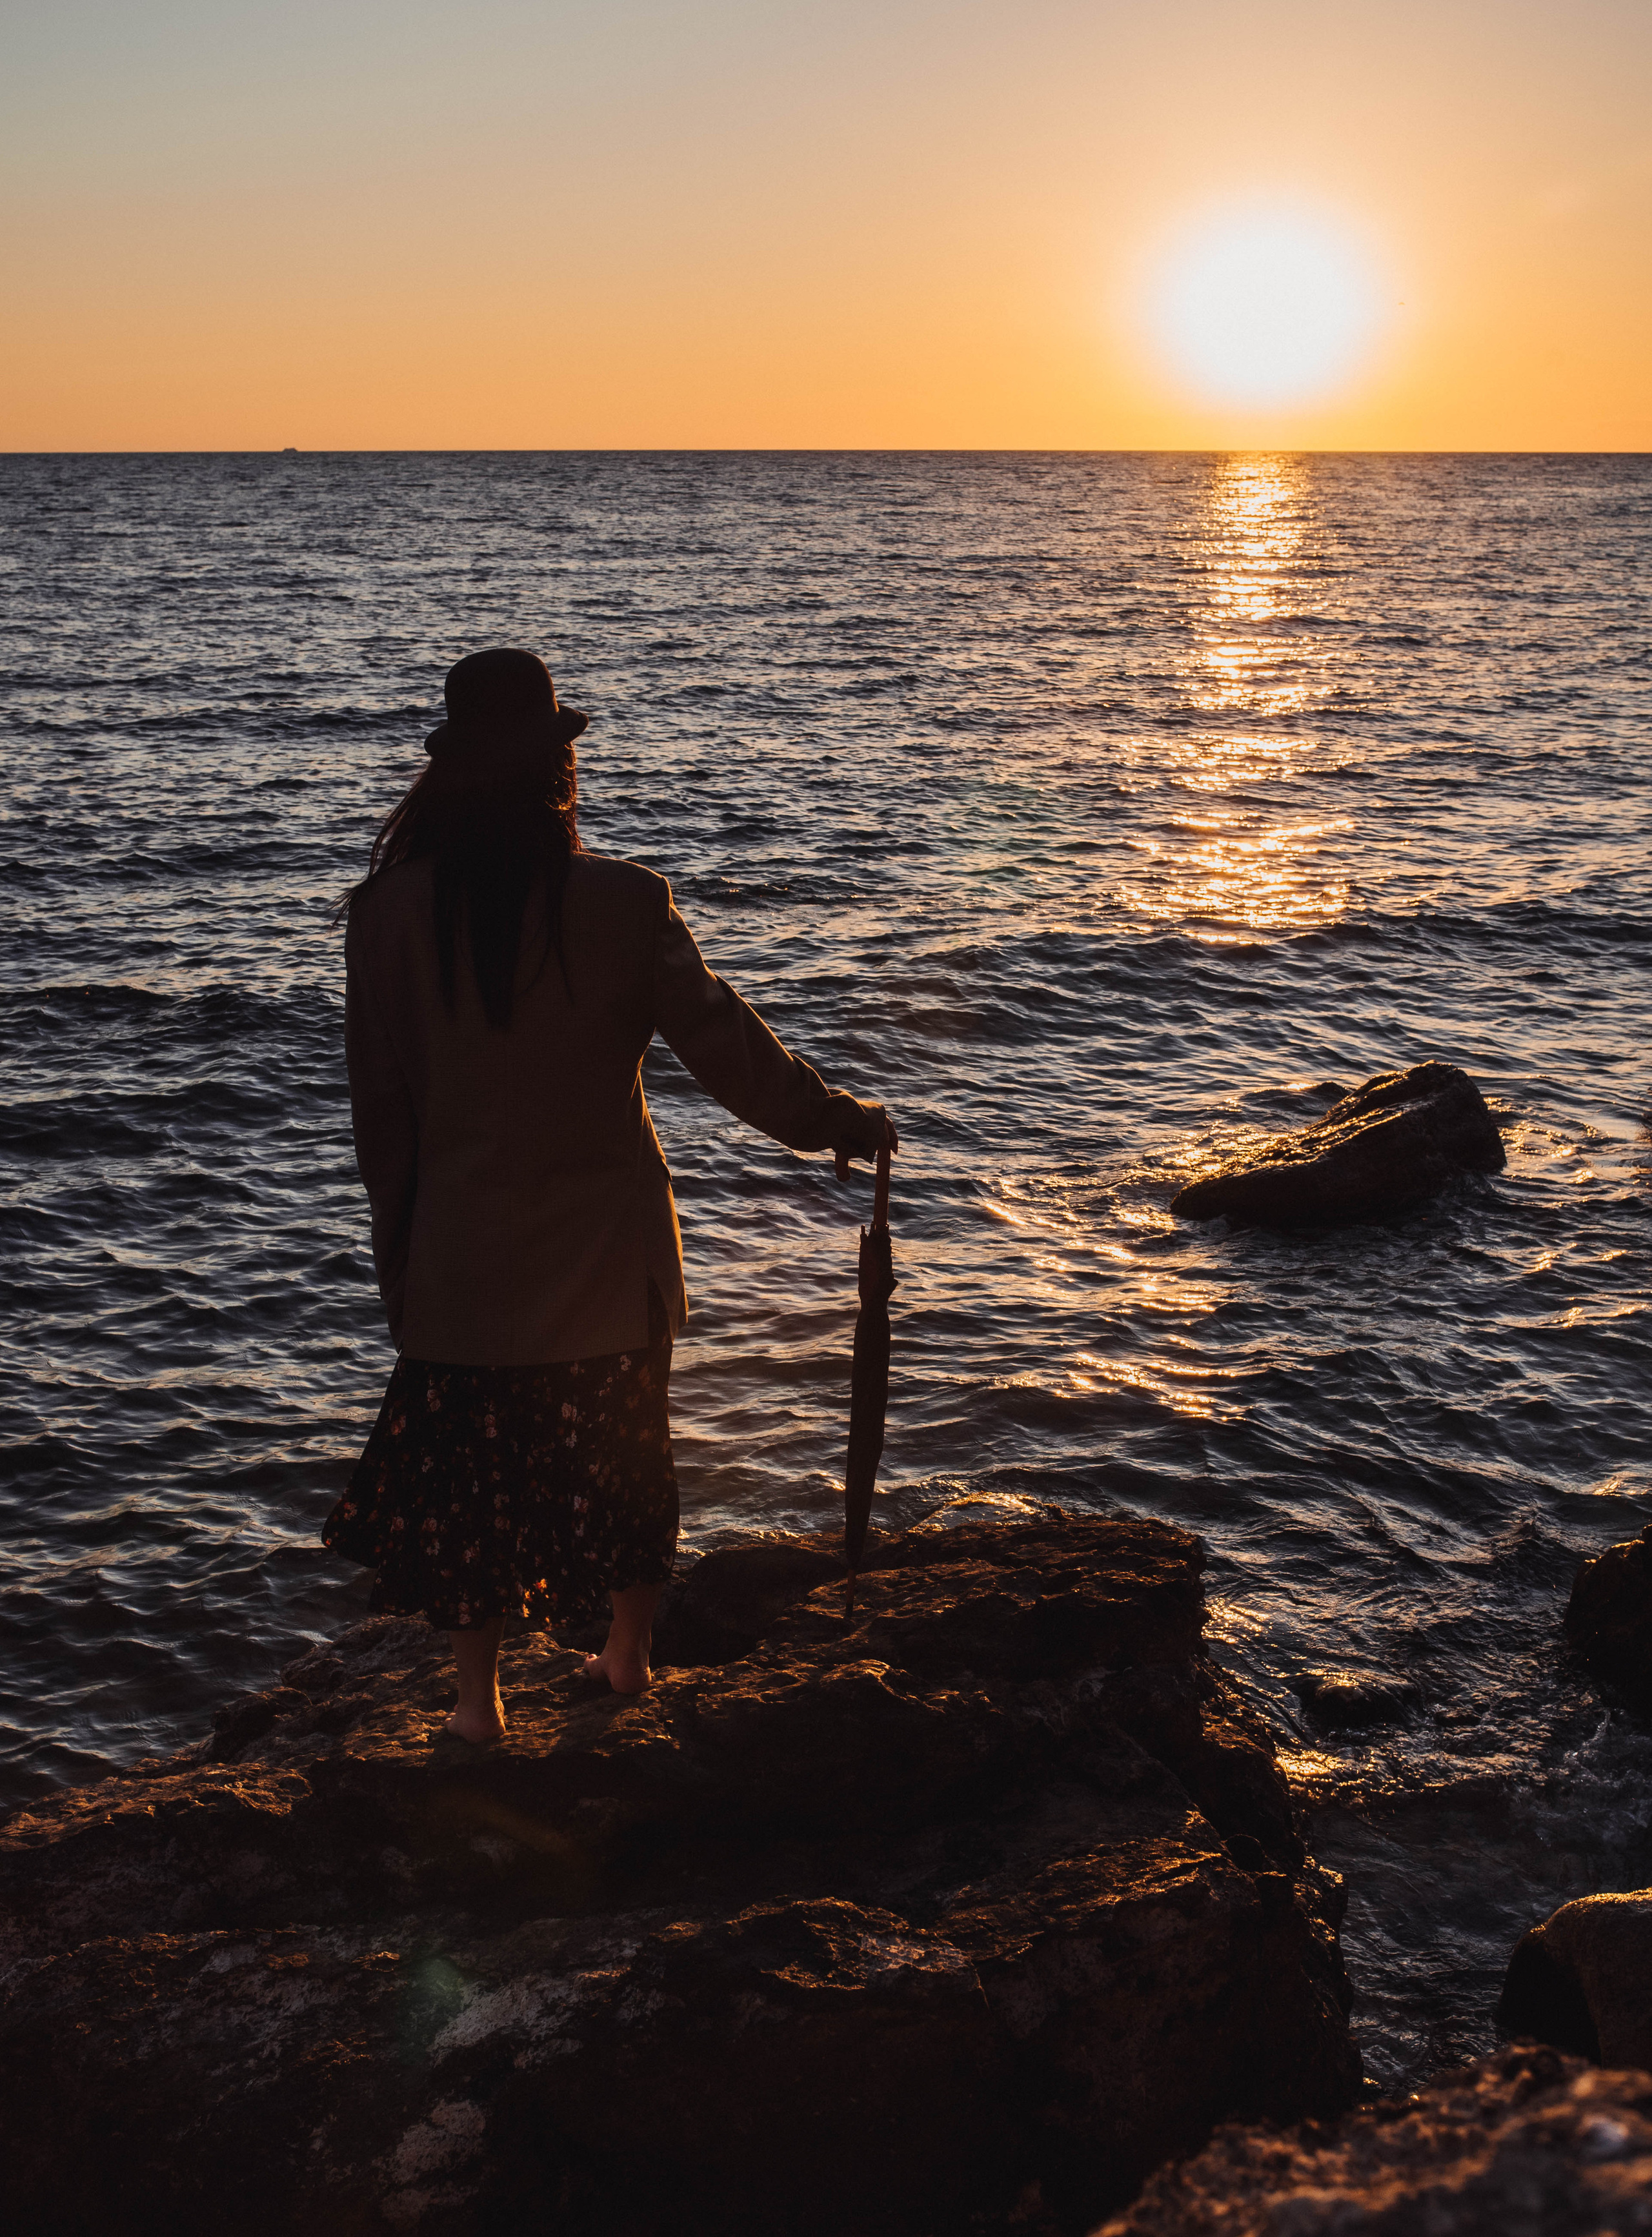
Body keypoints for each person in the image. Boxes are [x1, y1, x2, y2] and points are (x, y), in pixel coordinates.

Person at [323, 649, 896, 1741]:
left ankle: (474, 1705)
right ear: (556, 771)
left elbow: (382, 1123)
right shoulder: (625, 903)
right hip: (609, 1260)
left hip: (460, 1265)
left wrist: (402, 1265)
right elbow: (736, 1057)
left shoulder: (386, 915)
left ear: (448, 773)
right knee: (630, 1459)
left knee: (472, 1493)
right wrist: (842, 1124)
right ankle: (628, 1656)